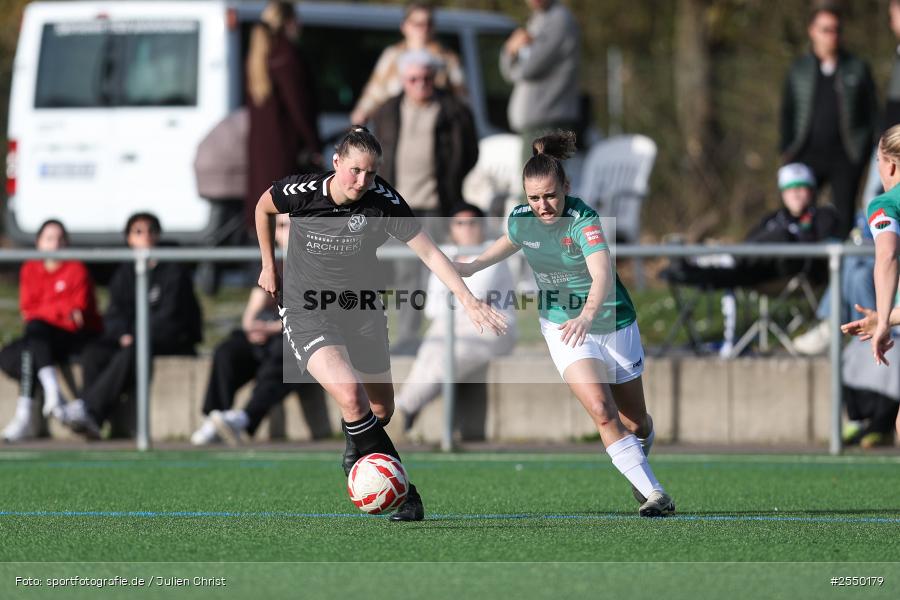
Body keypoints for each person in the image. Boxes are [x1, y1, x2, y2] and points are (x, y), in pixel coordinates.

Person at [254, 126, 507, 521]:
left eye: (370, 173)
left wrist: (469, 301)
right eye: (354, 170)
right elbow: (262, 208)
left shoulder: (383, 201)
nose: (362, 181)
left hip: (361, 308)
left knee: (379, 409)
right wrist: (269, 266)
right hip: (307, 308)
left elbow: (431, 254)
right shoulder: (301, 191)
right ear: (335, 163)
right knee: (351, 399)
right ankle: (408, 494)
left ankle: (357, 449)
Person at [455, 131, 674, 517]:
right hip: (562, 325)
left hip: (611, 320)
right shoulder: (522, 219)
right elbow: (510, 239)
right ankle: (655, 493)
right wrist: (473, 265)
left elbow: (603, 275)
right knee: (601, 409)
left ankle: (639, 459)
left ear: (566, 188)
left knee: (635, 421)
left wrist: (588, 314)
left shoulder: (583, 219)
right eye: (534, 198)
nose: (542, 206)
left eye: (550, 196)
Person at [371, 49, 479, 353]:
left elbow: (469, 152)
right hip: (395, 204)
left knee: (426, 271)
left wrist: (451, 181)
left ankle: (416, 337)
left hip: (435, 203)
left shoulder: (454, 110)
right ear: (403, 80)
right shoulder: (387, 110)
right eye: (413, 78)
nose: (421, 84)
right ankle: (384, 336)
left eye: (427, 78)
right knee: (394, 269)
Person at [61, 213, 203, 438]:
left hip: (171, 339)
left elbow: (171, 317)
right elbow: (115, 313)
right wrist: (123, 333)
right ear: (129, 239)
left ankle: (89, 409)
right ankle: (93, 420)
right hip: (133, 338)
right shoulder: (125, 272)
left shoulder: (173, 270)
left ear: (157, 236)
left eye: (150, 231)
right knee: (93, 353)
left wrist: (136, 336)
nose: (145, 236)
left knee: (133, 352)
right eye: (138, 231)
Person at [191, 214, 329, 445]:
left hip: (295, 339)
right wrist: (253, 327)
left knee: (289, 353)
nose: (290, 232)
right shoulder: (271, 261)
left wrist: (272, 328)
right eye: (284, 226)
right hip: (268, 337)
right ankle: (215, 418)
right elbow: (254, 308)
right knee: (228, 351)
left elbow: (312, 316)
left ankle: (244, 419)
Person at [395, 204, 517, 431]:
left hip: (492, 326)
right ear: (451, 228)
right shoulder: (445, 254)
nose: (467, 229)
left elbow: (477, 293)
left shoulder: (492, 252)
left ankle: (403, 408)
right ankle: (403, 408)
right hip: (447, 322)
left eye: (472, 223)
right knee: (426, 358)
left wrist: (457, 296)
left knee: (443, 362)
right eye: (460, 223)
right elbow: (433, 307)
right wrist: (462, 299)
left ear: (482, 226)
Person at [780, 3, 877, 238]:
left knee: (843, 216)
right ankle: (799, 268)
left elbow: (871, 112)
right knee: (796, 213)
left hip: (845, 156)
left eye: (836, 29)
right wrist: (787, 150)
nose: (832, 35)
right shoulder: (799, 69)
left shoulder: (857, 68)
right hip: (806, 153)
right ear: (812, 31)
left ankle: (838, 272)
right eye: (825, 29)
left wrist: (862, 151)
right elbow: (787, 112)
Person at [0, 220, 102, 441]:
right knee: (13, 352)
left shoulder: (76, 269)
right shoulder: (30, 268)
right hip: (41, 338)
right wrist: (57, 310)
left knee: (35, 335)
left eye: (60, 238)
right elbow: (27, 309)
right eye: (49, 238)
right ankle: (56, 400)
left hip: (72, 337)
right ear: (38, 243)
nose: (55, 244)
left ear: (66, 243)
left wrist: (46, 311)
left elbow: (75, 316)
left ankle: (26, 415)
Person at [840, 123, 900, 441]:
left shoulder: (885, 204)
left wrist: (883, 322)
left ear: (888, 164)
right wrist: (885, 319)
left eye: (877, 160)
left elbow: (887, 256)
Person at [245, 1, 320, 230]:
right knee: (286, 215)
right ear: (288, 21)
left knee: (264, 212)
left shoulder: (260, 54)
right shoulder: (286, 54)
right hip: (285, 149)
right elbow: (299, 106)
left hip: (261, 150)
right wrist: (313, 145)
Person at [350, 1, 466, 126]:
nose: (424, 29)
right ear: (405, 26)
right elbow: (375, 91)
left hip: (436, 126)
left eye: (428, 24)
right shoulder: (392, 56)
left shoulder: (447, 59)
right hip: (396, 126)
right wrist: (362, 112)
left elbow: (462, 99)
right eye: (418, 24)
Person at [500, 0, 580, 168]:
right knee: (532, 190)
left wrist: (511, 50)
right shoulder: (539, 18)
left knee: (541, 190)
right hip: (537, 126)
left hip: (547, 126)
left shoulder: (558, 20)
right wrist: (510, 51)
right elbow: (512, 71)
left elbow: (528, 68)